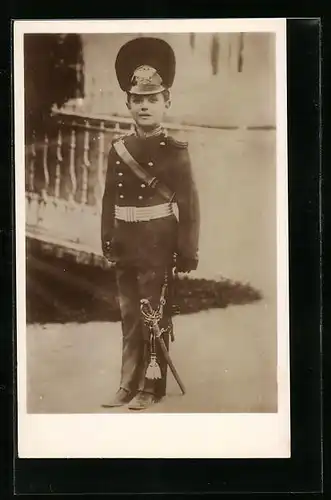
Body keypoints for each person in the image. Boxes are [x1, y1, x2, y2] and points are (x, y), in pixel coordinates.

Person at [101, 37, 200, 410]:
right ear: (128, 103)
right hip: (126, 240)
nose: (144, 106)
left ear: (166, 103)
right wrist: (107, 238)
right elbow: (109, 198)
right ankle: (127, 383)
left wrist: (187, 250)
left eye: (152, 99)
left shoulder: (174, 151)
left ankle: (150, 385)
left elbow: (189, 205)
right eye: (137, 100)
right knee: (129, 314)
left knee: (152, 313)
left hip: (158, 242)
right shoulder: (118, 149)